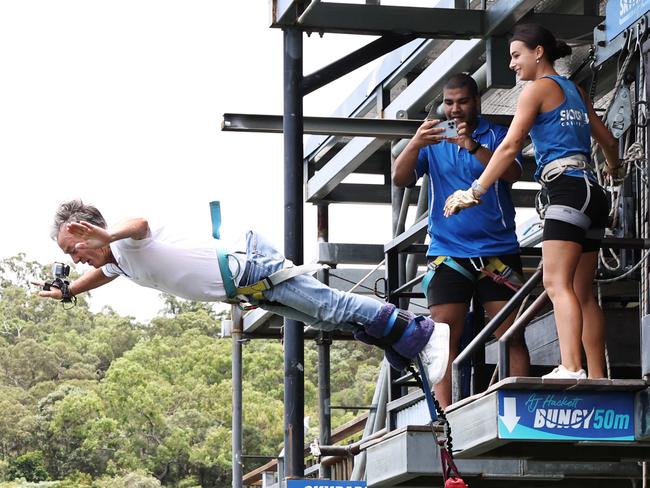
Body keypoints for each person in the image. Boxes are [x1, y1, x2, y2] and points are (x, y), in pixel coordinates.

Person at [34, 199, 450, 386]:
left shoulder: (126, 240)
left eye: (74, 250)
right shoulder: (116, 260)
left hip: (249, 264)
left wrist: (106, 233)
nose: (76, 259)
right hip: (248, 286)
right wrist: (68, 290)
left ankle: (423, 332)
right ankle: (404, 340)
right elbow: (105, 273)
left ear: (88, 232)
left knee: (331, 304)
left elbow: (140, 222)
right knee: (326, 318)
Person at [443, 24, 621, 380]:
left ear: (538, 52)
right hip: (592, 191)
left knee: (557, 284)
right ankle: (598, 375)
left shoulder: (536, 90)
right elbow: (610, 143)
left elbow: (510, 146)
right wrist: (613, 173)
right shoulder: (575, 91)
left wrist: (474, 191)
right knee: (583, 293)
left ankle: (571, 367)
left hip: (565, 190)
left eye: (515, 55)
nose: (511, 64)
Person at [393, 73, 530, 408]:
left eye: (462, 102)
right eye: (449, 102)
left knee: (510, 332)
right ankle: (441, 414)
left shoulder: (497, 134)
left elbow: (513, 174)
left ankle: (522, 403)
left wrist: (472, 145)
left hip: (497, 253)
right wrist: (414, 143)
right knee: (442, 337)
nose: (454, 110)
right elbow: (400, 178)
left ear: (476, 101)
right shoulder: (435, 138)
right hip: (447, 253)